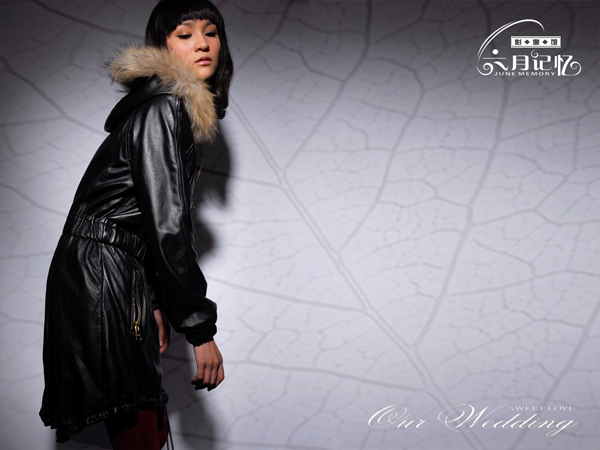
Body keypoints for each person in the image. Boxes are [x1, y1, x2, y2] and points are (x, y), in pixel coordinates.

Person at [39, 0, 234, 448]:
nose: (203, 44)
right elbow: (168, 226)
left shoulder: (163, 108)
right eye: (185, 34)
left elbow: (143, 219)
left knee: (145, 422)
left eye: (211, 32)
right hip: (102, 270)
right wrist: (200, 332)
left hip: (109, 266)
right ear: (163, 46)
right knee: (138, 426)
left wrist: (154, 301)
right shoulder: (164, 109)